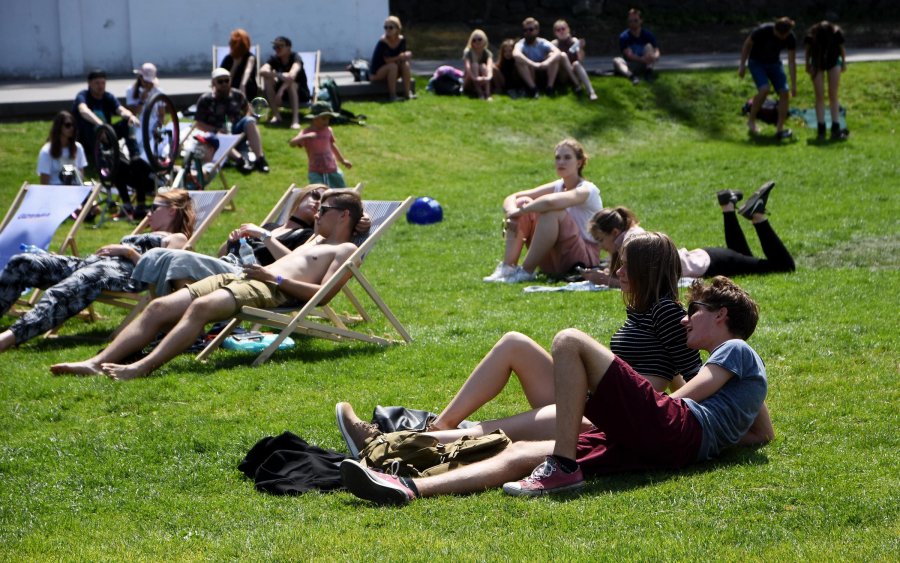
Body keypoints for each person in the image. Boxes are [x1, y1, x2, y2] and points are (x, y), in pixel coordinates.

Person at [338, 276, 774, 504]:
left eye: (694, 310)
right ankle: (408, 488)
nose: (685, 319)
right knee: (524, 454)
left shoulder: (735, 348)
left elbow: (683, 399)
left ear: (720, 315)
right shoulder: (747, 376)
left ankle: (562, 466)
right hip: (673, 447)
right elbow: (762, 434)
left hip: (674, 429)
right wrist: (717, 439)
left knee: (569, 340)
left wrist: (616, 400)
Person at [409, 231, 701, 438]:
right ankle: (441, 426)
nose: (619, 271)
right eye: (620, 262)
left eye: (628, 265)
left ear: (649, 271)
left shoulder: (667, 311)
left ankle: (431, 439)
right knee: (514, 343)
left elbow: (694, 374)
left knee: (499, 430)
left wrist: (690, 424)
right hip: (589, 399)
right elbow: (672, 368)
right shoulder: (646, 309)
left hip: (606, 415)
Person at [50, 190, 364, 380]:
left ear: (343, 216)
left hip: (270, 289)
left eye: (324, 210)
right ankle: (95, 362)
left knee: (202, 307)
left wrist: (273, 278)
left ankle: (141, 367)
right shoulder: (315, 238)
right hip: (245, 276)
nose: (317, 213)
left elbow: (322, 296)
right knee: (160, 305)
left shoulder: (346, 250)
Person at [0, 189, 195, 353]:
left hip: (123, 272)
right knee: (23, 262)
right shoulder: (150, 232)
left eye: (153, 208)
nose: (147, 214)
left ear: (171, 211)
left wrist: (128, 252)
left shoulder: (177, 238)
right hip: (93, 263)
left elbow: (161, 269)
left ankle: (10, 337)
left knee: (73, 285)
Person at [583, 183, 795, 287]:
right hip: (708, 258)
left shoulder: (631, 242)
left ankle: (757, 215)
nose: (601, 246)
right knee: (743, 255)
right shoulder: (630, 238)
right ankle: (728, 207)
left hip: (712, 264)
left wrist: (604, 280)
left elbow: (646, 284)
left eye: (601, 240)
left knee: (783, 267)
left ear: (614, 232)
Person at [483, 139, 602, 283]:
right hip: (554, 259)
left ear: (579, 162)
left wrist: (520, 211)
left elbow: (549, 202)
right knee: (522, 202)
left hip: (583, 259)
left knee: (552, 212)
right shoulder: (559, 185)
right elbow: (513, 197)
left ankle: (526, 271)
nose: (561, 162)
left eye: (567, 157)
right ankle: (507, 268)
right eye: (557, 158)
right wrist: (512, 213)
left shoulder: (587, 190)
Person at [72, 69, 144, 218]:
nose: (100, 86)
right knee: (88, 124)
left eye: (103, 83)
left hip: (108, 135)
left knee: (126, 123)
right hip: (90, 137)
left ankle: (134, 154)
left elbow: (120, 109)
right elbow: (83, 110)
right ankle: (103, 161)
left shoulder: (108, 97)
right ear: (90, 84)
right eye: (97, 83)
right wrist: (101, 126)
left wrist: (130, 116)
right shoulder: (83, 96)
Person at [195, 68, 269, 173]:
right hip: (217, 133)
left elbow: (248, 110)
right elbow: (199, 123)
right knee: (218, 137)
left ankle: (260, 159)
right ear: (213, 83)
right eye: (220, 81)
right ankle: (241, 160)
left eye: (227, 80)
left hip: (235, 129)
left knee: (250, 121)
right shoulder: (205, 99)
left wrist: (246, 120)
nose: (224, 84)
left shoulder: (237, 95)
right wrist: (216, 130)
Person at [739, 16, 798, 139]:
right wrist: (742, 65)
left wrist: (793, 85)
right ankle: (751, 120)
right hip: (757, 63)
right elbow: (747, 44)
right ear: (775, 28)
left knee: (785, 92)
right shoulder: (763, 30)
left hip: (774, 64)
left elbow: (792, 62)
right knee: (764, 89)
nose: (781, 38)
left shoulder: (790, 37)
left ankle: (779, 129)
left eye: (784, 36)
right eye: (778, 35)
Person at [123, 62, 164, 219]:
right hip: (138, 127)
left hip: (152, 129)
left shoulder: (158, 91)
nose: (147, 84)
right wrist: (142, 99)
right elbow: (132, 112)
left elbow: (161, 113)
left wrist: (159, 125)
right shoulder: (131, 91)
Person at [288, 102, 352, 187]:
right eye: (324, 119)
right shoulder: (306, 132)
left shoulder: (328, 130)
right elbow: (292, 143)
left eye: (328, 119)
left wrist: (343, 160)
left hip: (332, 168)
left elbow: (332, 146)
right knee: (318, 191)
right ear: (314, 118)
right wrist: (305, 136)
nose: (327, 121)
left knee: (340, 190)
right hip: (315, 170)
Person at [805, 21, 848, 140]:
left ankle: (835, 126)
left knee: (833, 94)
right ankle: (821, 128)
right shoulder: (812, 35)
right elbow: (807, 51)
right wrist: (807, 64)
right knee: (819, 96)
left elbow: (842, 49)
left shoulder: (836, 33)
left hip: (833, 62)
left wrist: (844, 63)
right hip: (817, 62)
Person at [259, 36, 309, 129]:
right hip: (283, 94)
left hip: (300, 94)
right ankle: (277, 116)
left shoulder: (295, 58)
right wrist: (279, 75)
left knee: (291, 84)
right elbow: (262, 71)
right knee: (267, 80)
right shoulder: (275, 59)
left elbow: (292, 75)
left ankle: (295, 120)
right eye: (275, 47)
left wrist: (280, 91)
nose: (277, 49)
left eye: (280, 46)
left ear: (288, 47)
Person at [513, 17, 562, 98]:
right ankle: (533, 89)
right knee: (519, 61)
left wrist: (546, 62)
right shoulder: (521, 44)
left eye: (531, 29)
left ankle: (550, 88)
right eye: (525, 30)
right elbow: (516, 54)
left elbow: (557, 52)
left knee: (553, 56)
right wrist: (533, 64)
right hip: (531, 72)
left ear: (537, 30)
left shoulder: (543, 42)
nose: (528, 32)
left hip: (544, 70)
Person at [370, 16, 414, 101]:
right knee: (392, 66)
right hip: (377, 72)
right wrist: (400, 57)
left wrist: (406, 55)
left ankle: (407, 93)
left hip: (393, 70)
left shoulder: (401, 40)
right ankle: (392, 96)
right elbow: (387, 60)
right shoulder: (383, 41)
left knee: (405, 64)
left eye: (390, 27)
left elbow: (401, 56)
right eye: (385, 27)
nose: (388, 30)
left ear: (397, 29)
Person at [551, 19, 598, 100]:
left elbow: (580, 59)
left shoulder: (574, 41)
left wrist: (581, 48)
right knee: (563, 55)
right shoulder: (554, 44)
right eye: (558, 30)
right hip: (563, 74)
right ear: (555, 33)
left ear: (568, 29)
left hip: (574, 71)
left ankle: (591, 91)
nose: (561, 31)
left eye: (563, 28)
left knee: (576, 64)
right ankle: (577, 85)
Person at [37, 111, 87, 185]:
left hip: (75, 190)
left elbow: (81, 177)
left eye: (73, 125)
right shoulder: (46, 151)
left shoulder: (78, 148)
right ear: (58, 127)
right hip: (55, 191)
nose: (71, 128)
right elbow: (44, 183)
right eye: (68, 125)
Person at [612, 9, 661, 85]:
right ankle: (632, 77)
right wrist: (642, 59)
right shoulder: (624, 36)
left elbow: (656, 50)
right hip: (631, 64)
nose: (633, 23)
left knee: (649, 46)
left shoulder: (647, 34)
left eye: (635, 20)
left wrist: (655, 56)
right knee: (616, 60)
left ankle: (648, 74)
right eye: (630, 21)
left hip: (646, 63)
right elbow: (628, 55)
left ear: (641, 21)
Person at [221, 29, 259, 102]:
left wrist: (243, 85)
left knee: (247, 85)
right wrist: (235, 65)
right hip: (229, 85)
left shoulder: (250, 57)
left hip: (246, 86)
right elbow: (225, 80)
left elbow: (247, 71)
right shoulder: (228, 59)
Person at [462, 29, 494, 101]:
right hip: (470, 78)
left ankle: (488, 94)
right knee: (475, 65)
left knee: (483, 66)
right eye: (474, 40)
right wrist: (475, 78)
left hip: (483, 78)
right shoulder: (468, 51)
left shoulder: (487, 53)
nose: (477, 42)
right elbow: (468, 67)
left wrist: (488, 77)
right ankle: (480, 94)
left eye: (479, 39)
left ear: (484, 40)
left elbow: (489, 66)